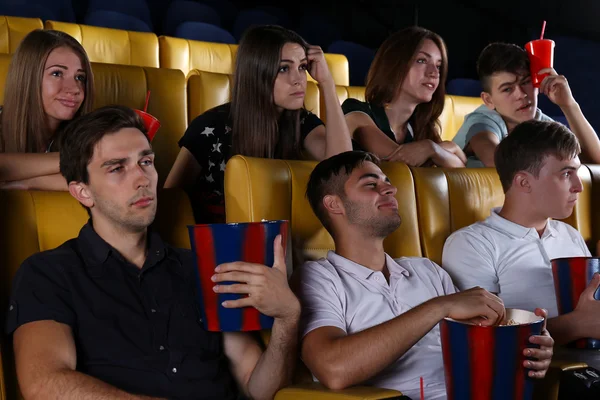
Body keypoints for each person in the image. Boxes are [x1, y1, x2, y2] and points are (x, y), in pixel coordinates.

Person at [6, 105, 301, 400]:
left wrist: (287, 318)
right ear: (82, 191)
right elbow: (43, 384)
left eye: (146, 161)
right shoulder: (48, 273)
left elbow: (259, 388)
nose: (142, 179)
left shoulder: (202, 268)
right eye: (117, 168)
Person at [297, 151, 553, 399]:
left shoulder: (426, 270)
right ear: (334, 204)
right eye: (370, 184)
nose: (390, 189)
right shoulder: (319, 277)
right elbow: (333, 369)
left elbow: (479, 345)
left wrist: (529, 349)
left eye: (387, 181)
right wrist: (439, 307)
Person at [165, 25, 352, 223]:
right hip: (217, 246)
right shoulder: (209, 126)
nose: (299, 80)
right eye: (283, 68)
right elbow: (171, 203)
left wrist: (327, 83)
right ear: (257, 73)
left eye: (302, 67)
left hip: (281, 242)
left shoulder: (302, 121)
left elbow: (342, 167)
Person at [443, 120, 600, 346]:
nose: (579, 186)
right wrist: (576, 325)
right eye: (567, 174)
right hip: (542, 376)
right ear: (524, 182)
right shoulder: (471, 244)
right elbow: (483, 338)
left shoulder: (569, 234)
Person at [452, 42, 600, 167]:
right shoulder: (483, 120)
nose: (521, 94)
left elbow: (594, 161)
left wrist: (568, 105)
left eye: (526, 82)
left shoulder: (540, 122)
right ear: (489, 100)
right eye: (507, 89)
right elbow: (495, 158)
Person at [342, 26, 466, 168]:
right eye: (421, 60)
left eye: (438, 66)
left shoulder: (421, 130)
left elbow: (460, 170)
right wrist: (440, 150)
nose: (434, 73)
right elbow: (397, 160)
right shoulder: (355, 112)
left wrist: (435, 149)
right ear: (395, 64)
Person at [0, 29, 94, 190]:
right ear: (28, 78)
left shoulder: (85, 134)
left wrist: (28, 182)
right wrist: (78, 159)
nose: (74, 89)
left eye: (80, 77)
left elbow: (100, 180)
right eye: (57, 73)